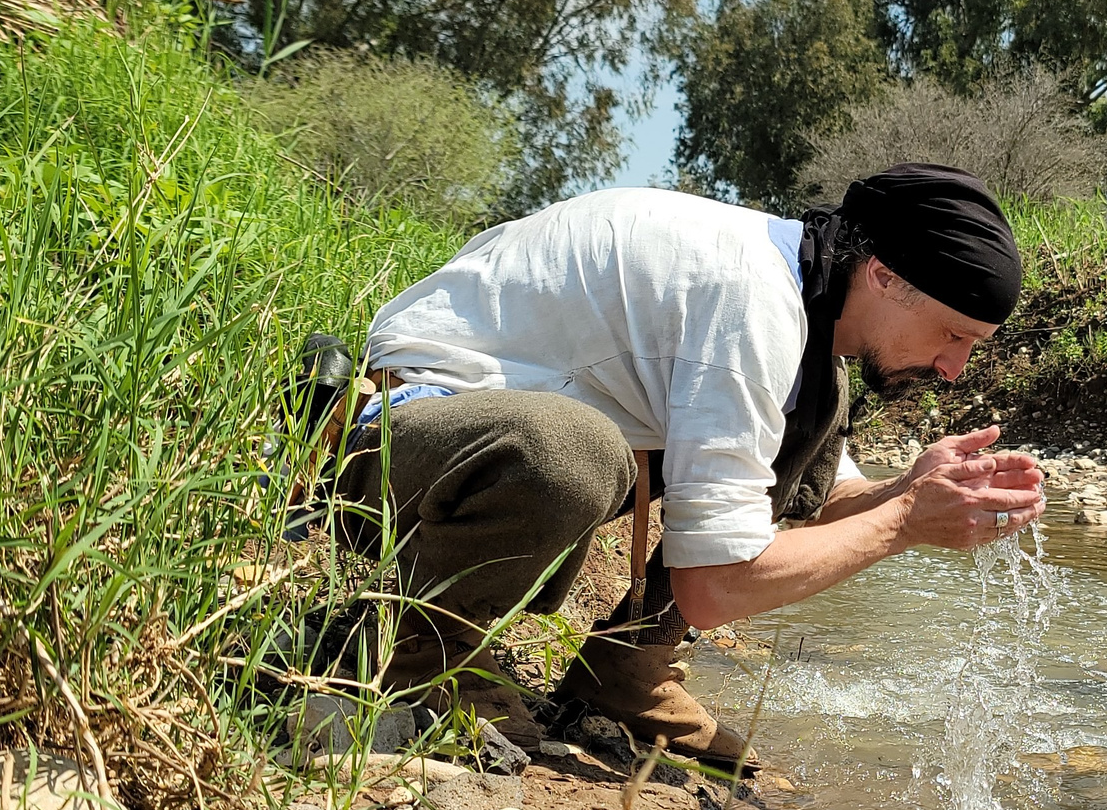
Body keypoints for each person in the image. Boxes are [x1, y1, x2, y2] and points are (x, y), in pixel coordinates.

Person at [305, 163, 1046, 767]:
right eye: (953, 334)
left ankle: (624, 671)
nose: (954, 367)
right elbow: (715, 584)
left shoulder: (809, 306)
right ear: (884, 275)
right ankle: (419, 644)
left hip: (487, 440)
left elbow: (815, 504)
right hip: (399, 436)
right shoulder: (754, 303)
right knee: (572, 450)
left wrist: (904, 489)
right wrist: (907, 523)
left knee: (816, 399)